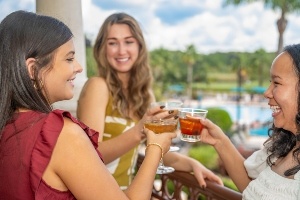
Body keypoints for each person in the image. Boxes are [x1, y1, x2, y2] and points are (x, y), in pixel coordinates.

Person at [0, 10, 178, 200]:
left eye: (129, 41)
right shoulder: (60, 133)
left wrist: (189, 164)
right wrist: (154, 148)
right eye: (69, 58)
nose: (79, 67)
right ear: (33, 70)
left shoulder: (11, 124)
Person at [77, 12, 223, 189]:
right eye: (112, 43)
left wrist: (192, 164)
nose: (121, 50)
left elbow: (158, 151)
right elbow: (89, 156)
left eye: (128, 42)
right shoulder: (97, 86)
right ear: (102, 48)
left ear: (139, 46)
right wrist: (140, 130)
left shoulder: (144, 96)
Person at [200, 44, 300, 199]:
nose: (267, 92)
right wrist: (219, 141)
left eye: (277, 83)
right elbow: (253, 190)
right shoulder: (282, 148)